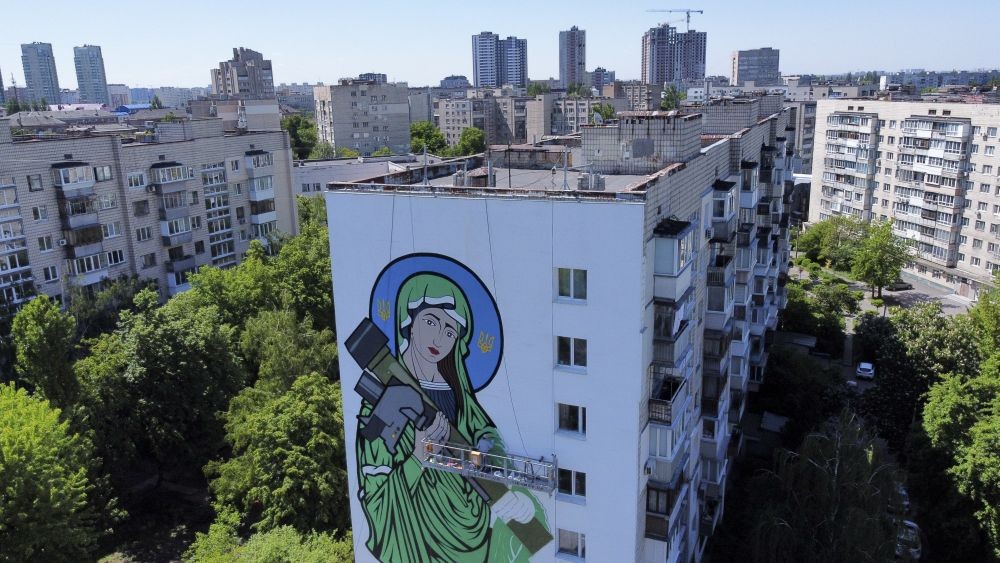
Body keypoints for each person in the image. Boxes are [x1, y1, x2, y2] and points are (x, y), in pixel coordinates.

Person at [356, 273, 546, 562]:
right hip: (417, 530)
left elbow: (485, 433)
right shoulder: (384, 395)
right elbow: (375, 488)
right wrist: (417, 456)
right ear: (409, 322)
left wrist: (487, 451)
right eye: (431, 321)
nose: (439, 338)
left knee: (532, 515)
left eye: (449, 331)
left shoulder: (458, 390)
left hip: (471, 514)